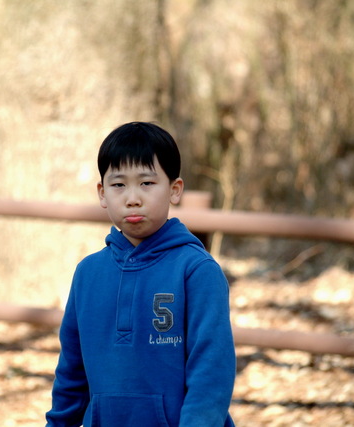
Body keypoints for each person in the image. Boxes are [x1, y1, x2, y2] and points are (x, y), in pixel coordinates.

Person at [46, 122, 236, 426]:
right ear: (102, 193)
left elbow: (211, 372)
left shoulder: (197, 271)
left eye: (147, 183)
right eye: (119, 184)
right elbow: (72, 371)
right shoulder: (88, 273)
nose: (132, 197)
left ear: (174, 190)